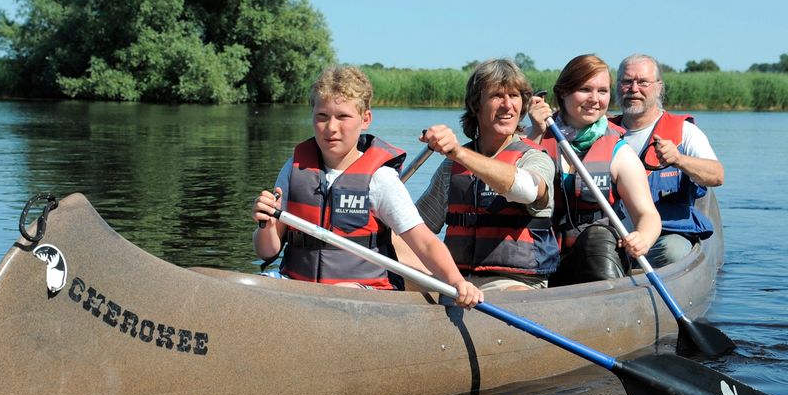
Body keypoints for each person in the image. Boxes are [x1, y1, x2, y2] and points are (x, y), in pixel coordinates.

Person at [252, 65, 482, 308]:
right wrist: (266, 225)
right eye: (322, 116)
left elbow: (425, 243)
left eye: (343, 117)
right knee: (254, 286)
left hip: (363, 290)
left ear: (365, 120)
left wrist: (457, 282)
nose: (331, 127)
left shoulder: (380, 180)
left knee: (338, 294)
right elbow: (266, 251)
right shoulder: (294, 169)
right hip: (300, 284)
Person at [412, 58, 559, 291]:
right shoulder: (451, 168)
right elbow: (415, 228)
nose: (507, 105)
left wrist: (459, 152)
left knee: (513, 294)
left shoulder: (535, 158)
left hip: (514, 283)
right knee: (393, 261)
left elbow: (527, 190)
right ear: (476, 105)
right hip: (456, 281)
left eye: (515, 96)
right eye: (496, 96)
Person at [527, 54, 661, 285]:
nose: (594, 99)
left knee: (598, 237)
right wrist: (535, 134)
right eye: (585, 89)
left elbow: (648, 215)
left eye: (602, 91)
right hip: (537, 256)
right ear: (563, 93)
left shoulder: (619, 152)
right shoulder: (535, 137)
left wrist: (643, 238)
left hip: (594, 261)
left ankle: (611, 306)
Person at [610, 54, 724, 267]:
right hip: (611, 238)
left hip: (661, 240)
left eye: (643, 82)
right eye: (626, 81)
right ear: (617, 86)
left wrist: (679, 159)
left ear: (659, 87)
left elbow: (717, 175)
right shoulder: (601, 131)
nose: (634, 89)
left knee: (673, 251)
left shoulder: (685, 132)